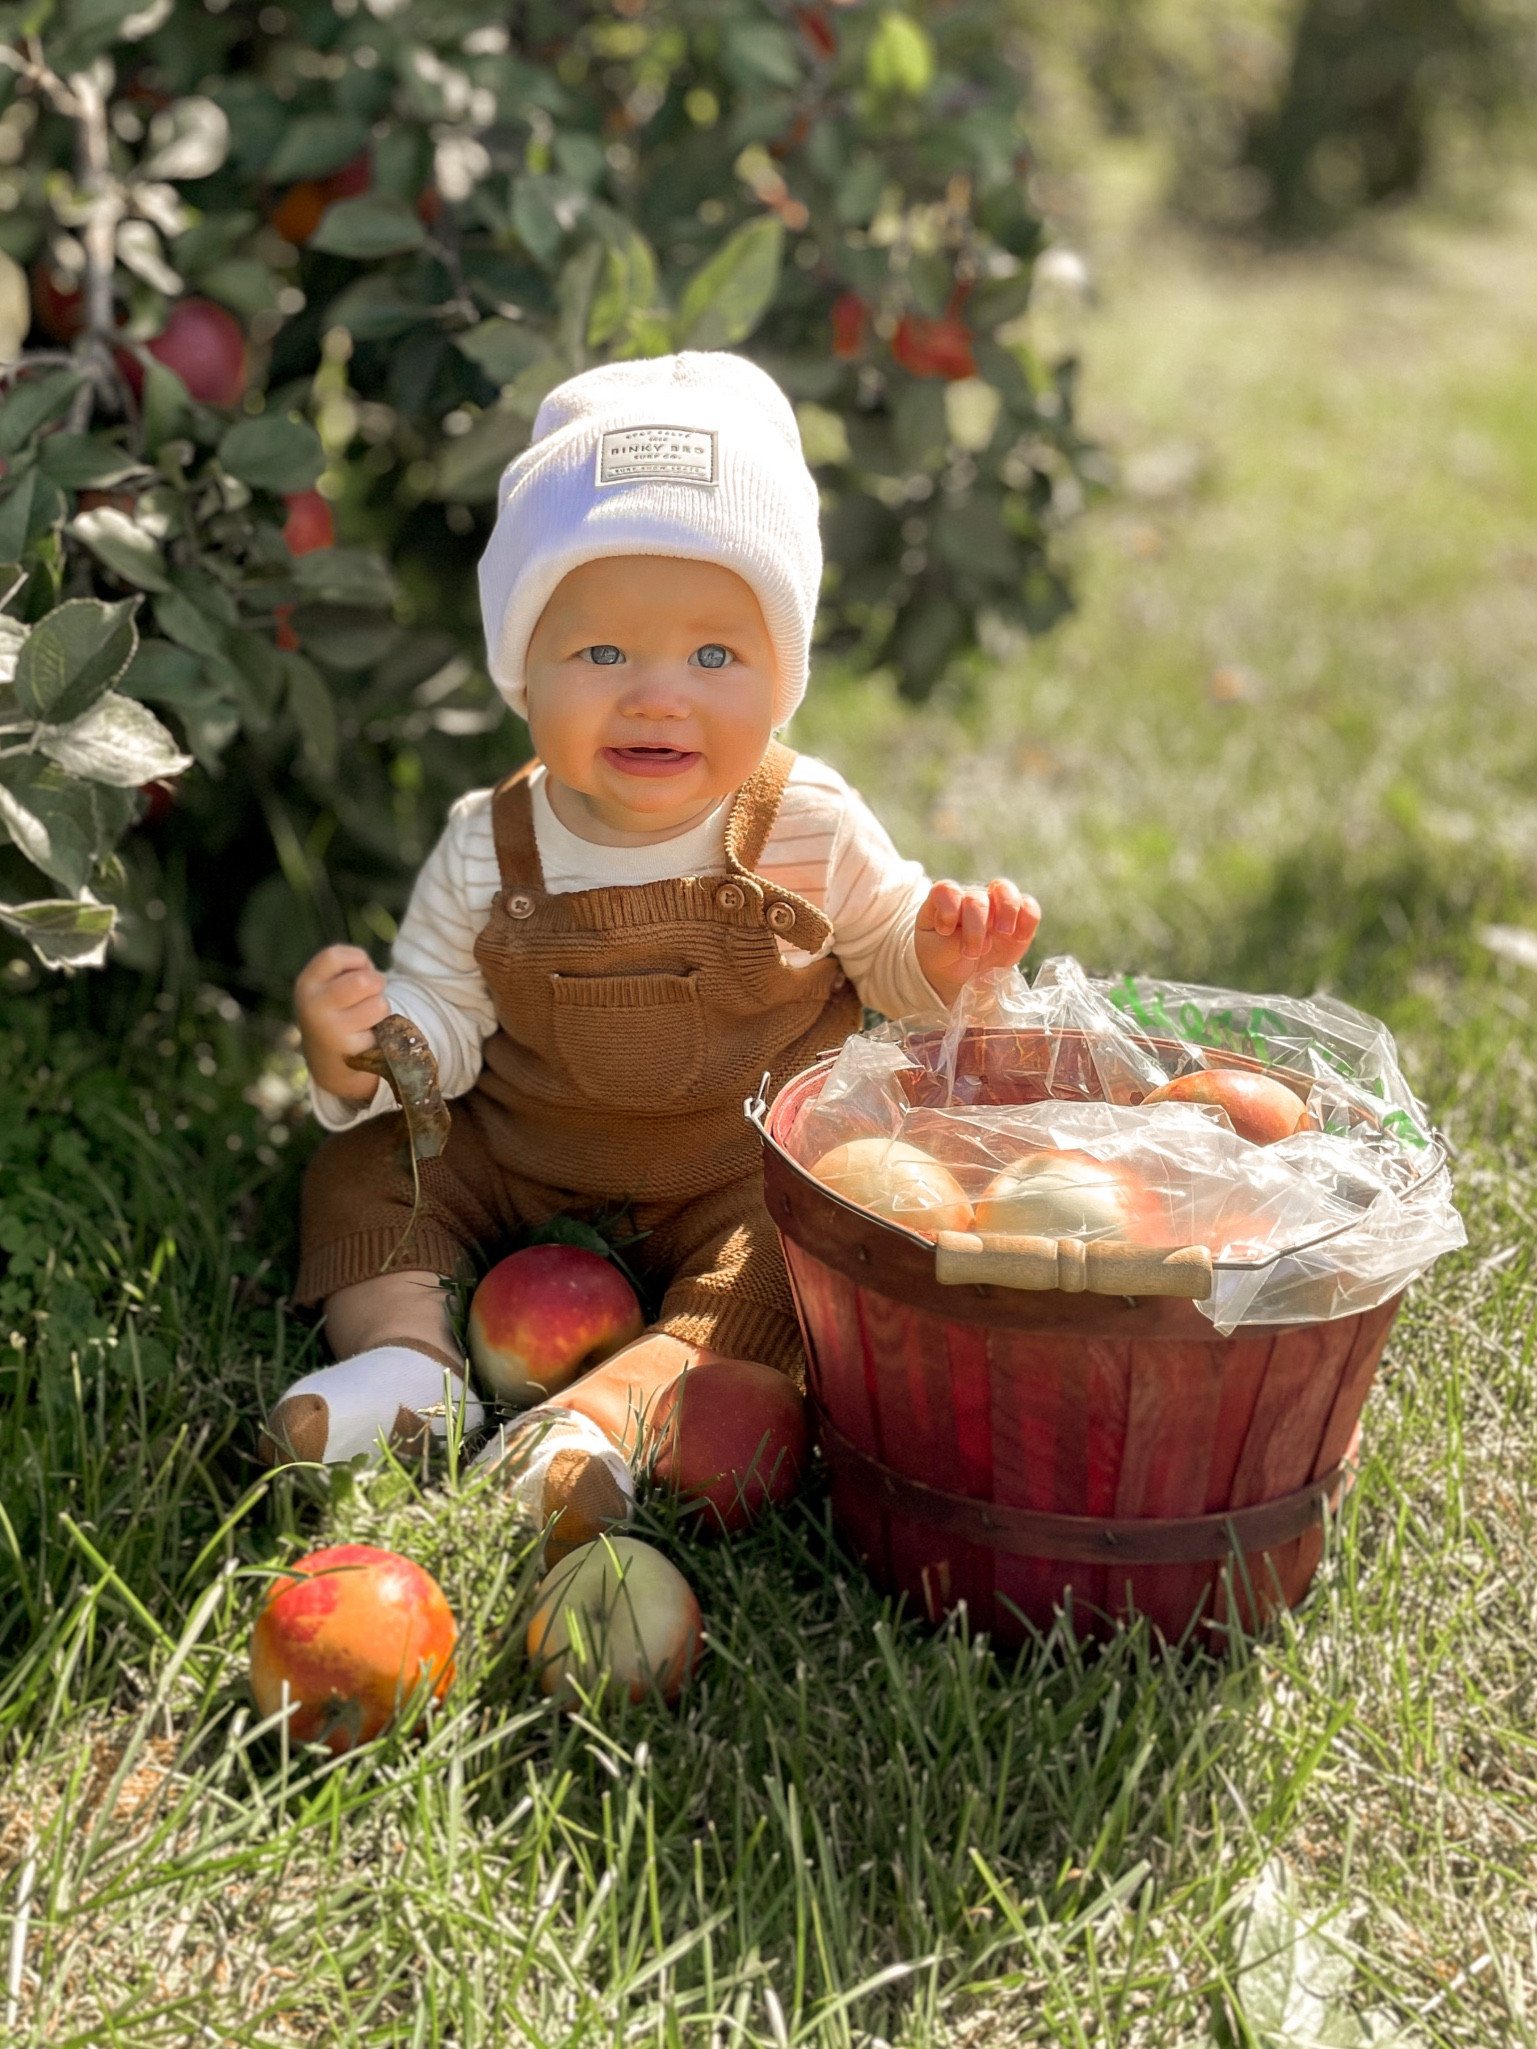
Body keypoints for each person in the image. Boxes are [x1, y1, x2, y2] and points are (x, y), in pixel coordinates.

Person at [262, 352, 1039, 1550]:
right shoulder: (491, 844)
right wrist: (371, 1043)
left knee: (794, 1248)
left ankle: (607, 1417)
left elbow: (883, 960)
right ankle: (410, 1368)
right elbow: (448, 1018)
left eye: (714, 657)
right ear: (524, 671)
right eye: (602, 655)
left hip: (731, 1170)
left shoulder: (807, 822)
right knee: (368, 1172)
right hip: (521, 1152)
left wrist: (936, 955)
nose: (657, 697)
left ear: (782, 676)